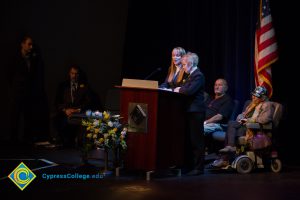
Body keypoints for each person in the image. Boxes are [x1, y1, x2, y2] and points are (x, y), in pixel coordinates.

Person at [212, 86, 274, 167]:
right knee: (231, 126)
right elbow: (244, 114)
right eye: (253, 95)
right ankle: (228, 152)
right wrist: (241, 117)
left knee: (231, 128)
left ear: (262, 97)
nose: (253, 97)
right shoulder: (253, 104)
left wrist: (249, 120)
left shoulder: (267, 105)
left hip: (254, 129)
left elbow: (265, 119)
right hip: (246, 125)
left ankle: (225, 158)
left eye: (256, 96)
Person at [7, 34, 48, 145]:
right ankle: (13, 142)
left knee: (28, 118)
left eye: (32, 45)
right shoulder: (15, 58)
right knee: (14, 118)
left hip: (28, 94)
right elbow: (10, 75)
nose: (31, 47)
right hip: (17, 93)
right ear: (22, 44)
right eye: (29, 44)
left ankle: (26, 141)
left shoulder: (33, 59)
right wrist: (15, 88)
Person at [173, 52, 206, 176]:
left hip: (196, 111)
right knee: (190, 140)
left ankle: (199, 168)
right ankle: (189, 165)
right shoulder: (190, 75)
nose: (183, 67)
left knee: (197, 141)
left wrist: (179, 89)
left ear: (191, 64)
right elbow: (184, 88)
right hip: (189, 111)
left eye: (184, 65)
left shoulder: (198, 75)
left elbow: (189, 91)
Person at [53, 65, 94, 148]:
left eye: (76, 74)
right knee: (58, 120)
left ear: (78, 75)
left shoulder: (84, 86)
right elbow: (57, 102)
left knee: (84, 121)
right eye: (72, 73)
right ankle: (64, 142)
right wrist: (65, 110)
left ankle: (78, 142)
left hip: (79, 112)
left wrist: (77, 110)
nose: (74, 76)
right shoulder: (62, 86)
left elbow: (88, 102)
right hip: (66, 112)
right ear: (69, 73)